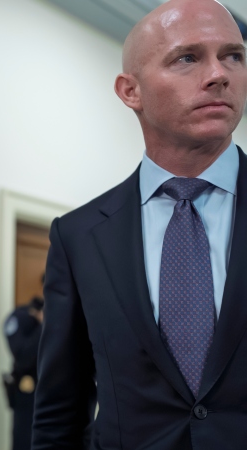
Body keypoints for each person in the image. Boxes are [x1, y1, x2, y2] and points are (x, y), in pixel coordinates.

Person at [32, 0, 247, 448]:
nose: (218, 74)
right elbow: (60, 409)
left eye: (233, 55)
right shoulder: (79, 237)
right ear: (131, 91)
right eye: (187, 58)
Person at [3, 294, 43, 450]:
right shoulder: (20, 316)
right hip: (28, 394)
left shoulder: (67, 315)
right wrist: (44, 324)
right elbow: (23, 358)